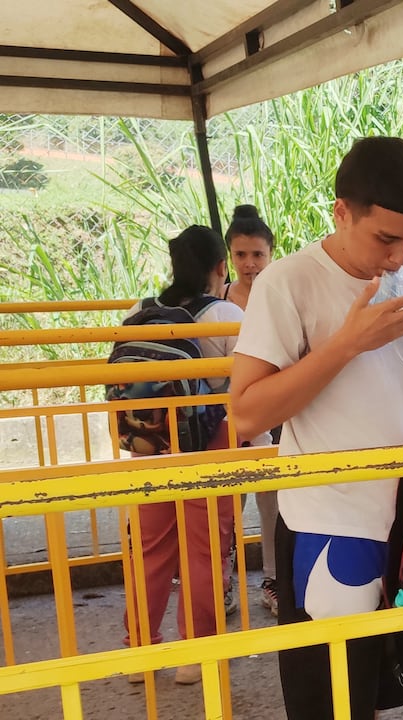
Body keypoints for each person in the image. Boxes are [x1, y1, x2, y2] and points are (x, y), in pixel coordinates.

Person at [230, 136, 403, 720]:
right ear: (342, 212)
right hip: (330, 523)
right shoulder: (287, 283)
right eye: (386, 239)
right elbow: (245, 413)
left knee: (380, 682)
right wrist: (346, 344)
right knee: (329, 698)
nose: (398, 257)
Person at [122, 225, 241, 686]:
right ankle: (198, 652)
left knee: (150, 547)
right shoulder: (225, 314)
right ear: (220, 267)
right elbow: (246, 382)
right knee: (205, 549)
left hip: (150, 444)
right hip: (208, 443)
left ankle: (140, 649)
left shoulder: (139, 311)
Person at [222, 203, 281, 616]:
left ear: (271, 254)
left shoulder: (279, 294)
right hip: (228, 417)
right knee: (228, 502)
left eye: (258, 254)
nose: (249, 264)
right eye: (240, 255)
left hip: (274, 412)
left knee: (272, 499)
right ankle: (222, 580)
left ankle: (273, 580)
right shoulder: (220, 301)